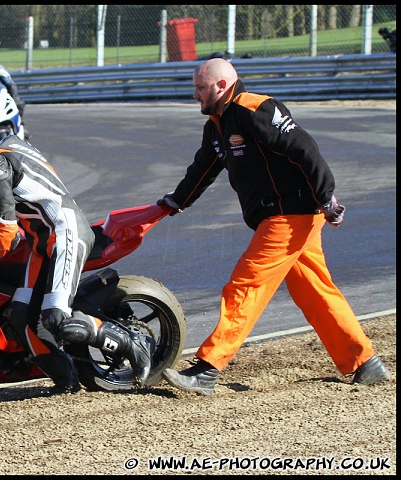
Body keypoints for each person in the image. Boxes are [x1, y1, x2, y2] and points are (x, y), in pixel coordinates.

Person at [157, 58, 391, 396]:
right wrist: (174, 202)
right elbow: (203, 169)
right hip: (280, 216)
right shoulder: (217, 124)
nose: (194, 94)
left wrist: (326, 198)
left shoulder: (256, 108)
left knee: (245, 285)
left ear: (221, 86)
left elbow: (305, 149)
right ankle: (365, 363)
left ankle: (208, 368)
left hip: (290, 214)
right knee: (314, 291)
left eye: (200, 87)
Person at [0, 109, 154, 394]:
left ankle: (133, 344)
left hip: (65, 234)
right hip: (42, 242)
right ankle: (66, 381)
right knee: (19, 316)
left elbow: (4, 238)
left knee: (56, 318)